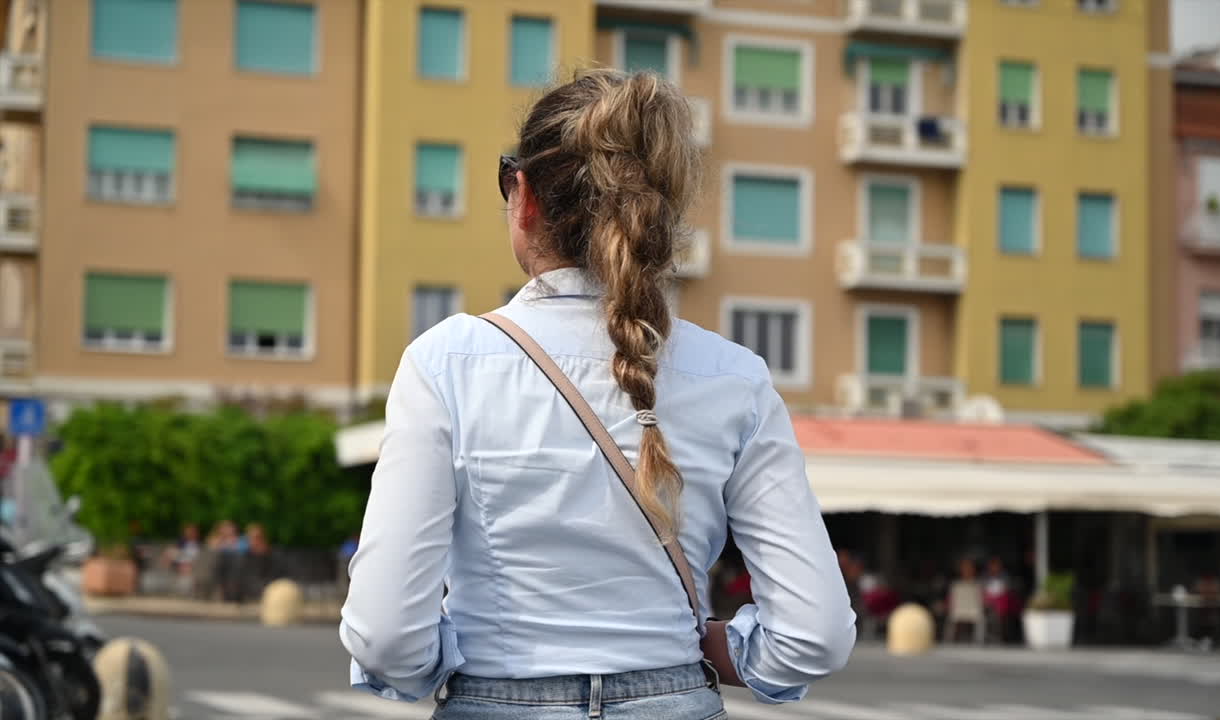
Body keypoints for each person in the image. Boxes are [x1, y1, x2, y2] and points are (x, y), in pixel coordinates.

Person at [340, 69, 856, 718]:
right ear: (661, 216)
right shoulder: (735, 378)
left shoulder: (447, 363)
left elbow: (386, 634)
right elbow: (817, 634)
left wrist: (460, 656)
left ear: (522, 195)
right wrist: (715, 651)